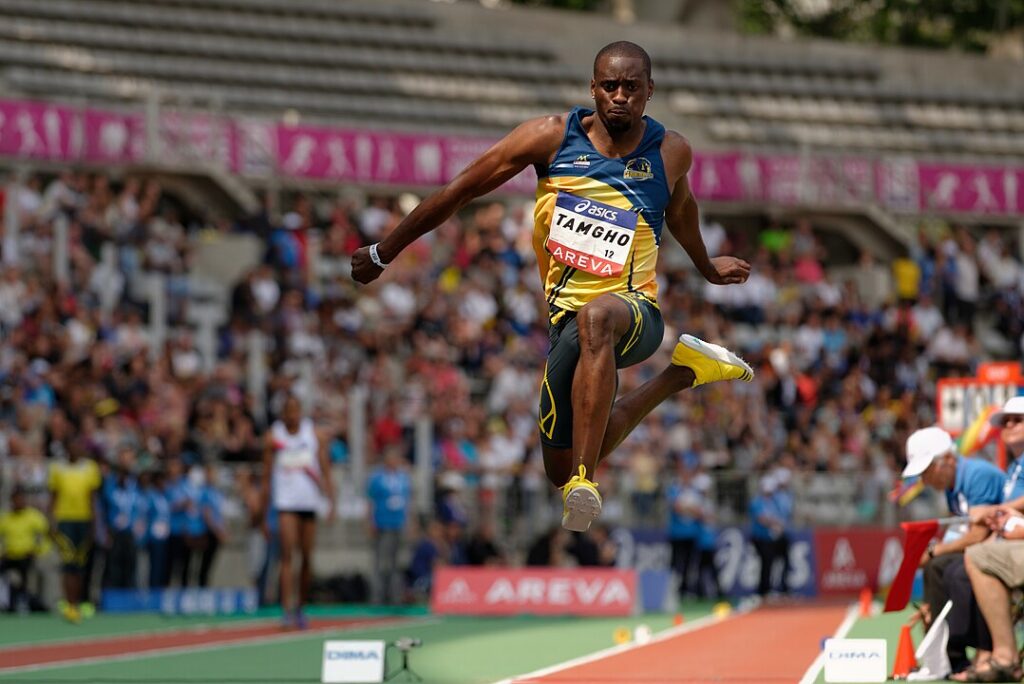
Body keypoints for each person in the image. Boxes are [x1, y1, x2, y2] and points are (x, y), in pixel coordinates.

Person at [351, 41, 754, 533]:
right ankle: (682, 374)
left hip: (635, 312)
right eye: (610, 86)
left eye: (631, 87)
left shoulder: (671, 152)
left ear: (650, 91)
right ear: (593, 88)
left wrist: (707, 267)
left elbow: (683, 212)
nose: (620, 96)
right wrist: (383, 251)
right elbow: (461, 190)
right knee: (555, 468)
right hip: (567, 321)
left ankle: (586, 482)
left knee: (598, 318)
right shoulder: (550, 138)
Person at [902, 426, 1007, 675]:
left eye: (927, 471)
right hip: (986, 545)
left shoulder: (977, 475)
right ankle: (945, 657)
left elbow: (979, 534)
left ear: (948, 459)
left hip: (999, 546)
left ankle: (977, 651)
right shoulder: (952, 487)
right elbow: (961, 531)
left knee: (953, 570)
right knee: (936, 567)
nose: (923, 480)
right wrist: (932, 555)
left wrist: (935, 552)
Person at [957, 397, 1024, 682]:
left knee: (974, 558)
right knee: (973, 556)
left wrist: (1004, 511)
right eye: (1005, 421)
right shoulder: (1014, 468)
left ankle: (1001, 655)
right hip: (1012, 540)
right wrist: (1001, 517)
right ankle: (996, 654)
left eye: (1017, 420)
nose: (1008, 425)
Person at [261, 395, 336, 629]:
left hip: (309, 501)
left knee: (306, 557)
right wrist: (263, 512)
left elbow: (325, 468)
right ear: (283, 413)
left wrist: (331, 500)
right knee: (287, 554)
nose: (292, 415)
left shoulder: (313, 435)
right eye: (288, 411)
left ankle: (301, 607)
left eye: (296, 411)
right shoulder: (274, 437)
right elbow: (265, 475)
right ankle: (286, 609)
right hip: (285, 503)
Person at [48, 444, 102, 623]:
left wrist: (96, 524)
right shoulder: (58, 468)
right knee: (68, 563)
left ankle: (76, 602)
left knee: (79, 565)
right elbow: (53, 497)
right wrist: (51, 521)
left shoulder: (90, 469)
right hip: (65, 520)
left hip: (83, 520)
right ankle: (69, 603)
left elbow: (93, 498)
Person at [366, 445, 412, 604]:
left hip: (398, 522)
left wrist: (408, 522)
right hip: (382, 522)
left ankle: (395, 597)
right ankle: (377, 598)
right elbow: (370, 501)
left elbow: (407, 502)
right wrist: (370, 521)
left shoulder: (403, 478)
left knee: (396, 563)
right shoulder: (377, 478)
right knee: (381, 562)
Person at [0, 487, 49, 613]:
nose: (18, 502)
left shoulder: (34, 517)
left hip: (28, 556)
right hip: (9, 556)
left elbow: (43, 537)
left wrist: (35, 551)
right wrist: (2, 552)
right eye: (16, 500)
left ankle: (29, 602)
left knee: (29, 573)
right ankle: (6, 604)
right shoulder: (5, 518)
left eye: (21, 500)